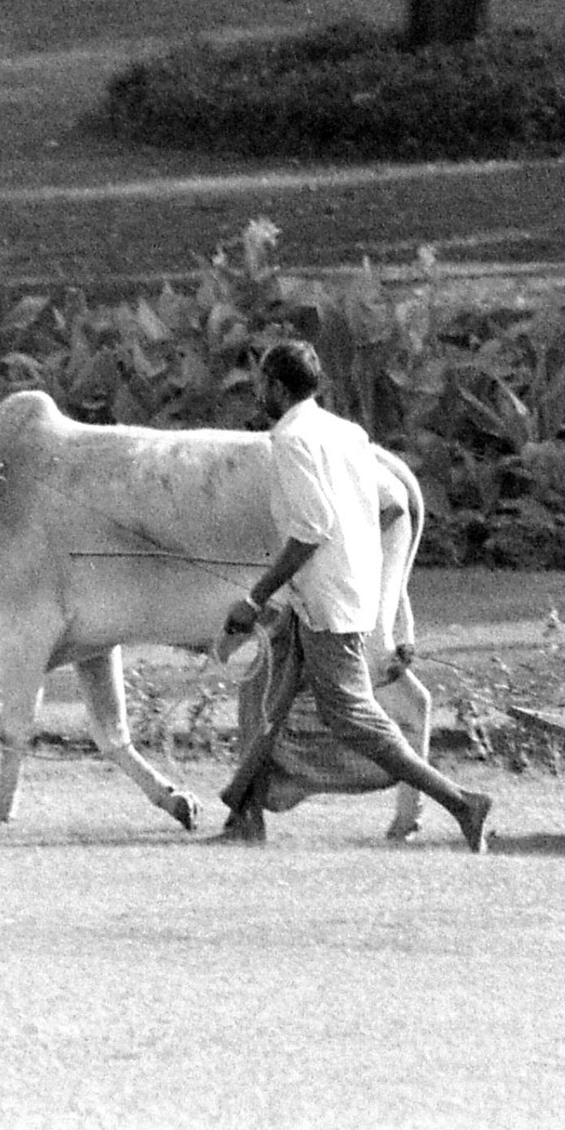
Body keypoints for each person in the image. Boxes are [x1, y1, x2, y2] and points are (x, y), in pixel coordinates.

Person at [218, 340, 493, 852]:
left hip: (327, 606)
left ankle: (461, 803)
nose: (259, 392)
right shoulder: (347, 433)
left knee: (350, 715)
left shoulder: (291, 439)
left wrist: (255, 599)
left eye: (262, 383)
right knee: (270, 700)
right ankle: (244, 814)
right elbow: (383, 510)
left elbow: (311, 530)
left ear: (276, 386)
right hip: (335, 597)